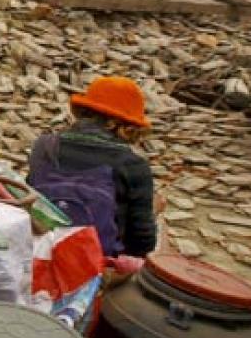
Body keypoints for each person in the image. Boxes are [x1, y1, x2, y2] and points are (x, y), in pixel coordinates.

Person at [27, 76, 157, 258]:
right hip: (94, 264)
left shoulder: (44, 146)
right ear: (119, 125)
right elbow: (142, 243)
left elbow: (26, 199)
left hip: (35, 251)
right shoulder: (133, 165)